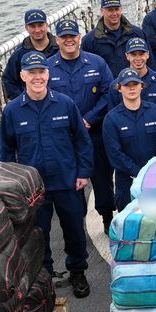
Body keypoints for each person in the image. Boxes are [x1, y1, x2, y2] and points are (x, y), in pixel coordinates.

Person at [0, 52, 93, 297]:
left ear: (48, 74)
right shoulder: (12, 111)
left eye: (41, 72)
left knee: (74, 229)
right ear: (23, 76)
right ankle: (46, 274)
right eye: (32, 73)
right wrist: (13, 187)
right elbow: (7, 153)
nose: (37, 77)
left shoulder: (65, 104)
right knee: (38, 233)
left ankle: (77, 271)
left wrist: (83, 173)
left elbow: (83, 142)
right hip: (34, 188)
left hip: (67, 180)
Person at [46, 18, 112, 232]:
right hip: (65, 138)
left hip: (95, 133)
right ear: (57, 40)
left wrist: (89, 119)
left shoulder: (96, 63)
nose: (69, 40)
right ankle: (77, 224)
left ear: (79, 38)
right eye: (64, 37)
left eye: (72, 36)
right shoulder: (48, 68)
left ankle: (107, 216)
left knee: (102, 178)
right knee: (71, 182)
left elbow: (108, 93)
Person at [102, 68, 156, 210]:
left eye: (134, 84)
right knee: (131, 226)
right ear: (119, 88)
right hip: (128, 184)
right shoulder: (111, 119)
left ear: (142, 86)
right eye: (126, 85)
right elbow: (115, 155)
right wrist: (140, 173)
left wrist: (152, 171)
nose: (131, 88)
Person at [110, 38, 156, 130]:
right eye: (133, 54)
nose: (138, 58)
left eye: (141, 54)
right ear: (127, 56)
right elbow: (112, 120)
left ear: (148, 54)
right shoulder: (116, 86)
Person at [82, 0, 145, 77]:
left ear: (121, 10)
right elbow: (84, 67)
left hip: (133, 85)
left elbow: (149, 60)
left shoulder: (136, 33)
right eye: (110, 10)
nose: (114, 13)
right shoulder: (90, 40)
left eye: (117, 9)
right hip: (105, 87)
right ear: (102, 11)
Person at [2, 9, 58, 100]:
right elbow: (9, 82)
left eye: (40, 25)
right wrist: (24, 100)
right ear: (26, 28)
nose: (37, 30)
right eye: (32, 26)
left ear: (47, 25)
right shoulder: (19, 54)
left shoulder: (60, 48)